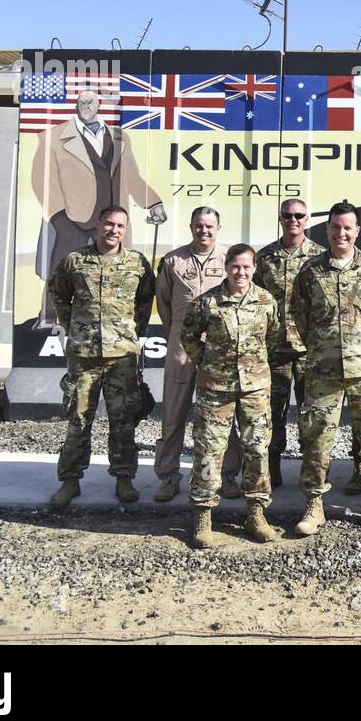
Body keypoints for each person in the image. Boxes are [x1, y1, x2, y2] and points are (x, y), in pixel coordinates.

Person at [290, 202, 361, 536]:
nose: (341, 233)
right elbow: (297, 316)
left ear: (358, 231)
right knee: (317, 438)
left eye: (348, 227)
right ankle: (314, 504)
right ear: (328, 229)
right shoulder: (311, 270)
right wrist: (313, 351)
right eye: (336, 227)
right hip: (323, 370)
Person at [47, 206, 154, 508]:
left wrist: (132, 331)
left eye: (120, 225)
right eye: (109, 224)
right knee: (78, 419)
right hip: (85, 356)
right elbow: (58, 293)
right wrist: (74, 326)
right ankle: (70, 481)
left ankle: (124, 478)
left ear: (126, 228)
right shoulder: (75, 261)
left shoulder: (137, 263)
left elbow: (146, 298)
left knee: (123, 420)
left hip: (122, 357)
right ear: (98, 224)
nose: (114, 230)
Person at [31, 89, 166, 328]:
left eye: (90, 102)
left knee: (120, 272)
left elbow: (132, 177)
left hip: (115, 220)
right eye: (81, 102)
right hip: (73, 219)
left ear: (99, 105)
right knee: (61, 271)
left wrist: (153, 202)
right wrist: (58, 215)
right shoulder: (53, 137)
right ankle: (49, 318)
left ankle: (118, 320)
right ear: (75, 105)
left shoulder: (119, 137)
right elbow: (42, 180)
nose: (85, 106)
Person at [180, 244, 281, 549]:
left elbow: (273, 336)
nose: (241, 272)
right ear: (226, 267)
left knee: (257, 449)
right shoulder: (207, 303)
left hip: (255, 389)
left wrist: (256, 366)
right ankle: (203, 516)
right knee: (209, 450)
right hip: (215, 389)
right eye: (235, 266)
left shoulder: (265, 301)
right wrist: (207, 362)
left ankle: (256, 514)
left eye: (247, 267)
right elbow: (188, 336)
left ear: (254, 269)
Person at [245, 198, 324, 491]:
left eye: (300, 215)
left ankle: (310, 470)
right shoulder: (264, 258)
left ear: (307, 219)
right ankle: (272, 467)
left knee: (311, 413)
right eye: (288, 215)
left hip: (308, 349)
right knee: (271, 413)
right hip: (273, 350)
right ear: (280, 219)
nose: (294, 220)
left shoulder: (319, 257)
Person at [152, 206, 226, 502]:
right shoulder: (173, 260)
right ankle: (168, 477)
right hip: (182, 345)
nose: (203, 230)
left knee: (221, 416)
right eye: (198, 225)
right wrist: (178, 333)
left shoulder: (229, 259)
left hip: (219, 345)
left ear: (218, 228)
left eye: (209, 226)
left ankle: (227, 475)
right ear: (191, 226)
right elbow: (164, 303)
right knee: (173, 413)